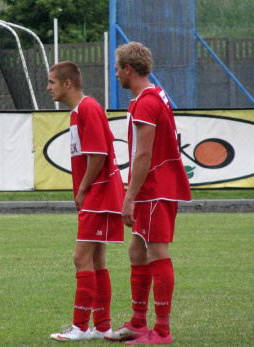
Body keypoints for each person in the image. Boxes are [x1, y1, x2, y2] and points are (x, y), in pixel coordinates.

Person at [104, 42, 191, 345]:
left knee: (157, 251)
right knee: (137, 250)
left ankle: (162, 331)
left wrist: (129, 196)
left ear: (128, 69)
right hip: (153, 188)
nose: (115, 74)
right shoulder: (151, 97)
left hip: (155, 188)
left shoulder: (146, 102)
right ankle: (139, 322)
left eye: (117, 69)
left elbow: (143, 155)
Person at [46, 61, 126, 342]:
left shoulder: (88, 108)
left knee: (81, 258)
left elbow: (99, 155)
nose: (48, 87)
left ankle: (79, 327)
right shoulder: (79, 111)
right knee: (96, 259)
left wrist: (81, 191)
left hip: (99, 194)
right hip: (100, 194)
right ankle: (102, 327)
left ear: (67, 84)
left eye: (52, 82)